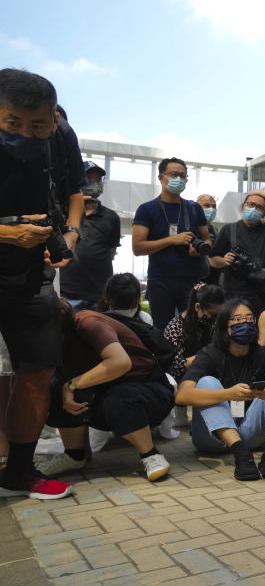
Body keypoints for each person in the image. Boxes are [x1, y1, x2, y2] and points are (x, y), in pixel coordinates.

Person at [0, 68, 83, 500]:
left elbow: (73, 192)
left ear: (53, 119)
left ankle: (19, 471)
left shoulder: (61, 134)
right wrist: (8, 232)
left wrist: (68, 235)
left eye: (38, 126)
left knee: (38, 372)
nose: (26, 135)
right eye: (12, 123)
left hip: (31, 273)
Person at [36, 304, 175, 482]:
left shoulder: (88, 322)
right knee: (56, 387)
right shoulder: (50, 343)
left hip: (147, 389)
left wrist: (71, 385)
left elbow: (121, 363)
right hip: (102, 394)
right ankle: (74, 455)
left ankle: (150, 454)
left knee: (118, 398)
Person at [174, 299, 265, 481]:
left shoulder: (262, 353)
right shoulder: (210, 353)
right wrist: (228, 394)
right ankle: (241, 454)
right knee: (208, 382)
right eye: (238, 320)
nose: (245, 324)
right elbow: (182, 395)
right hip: (213, 438)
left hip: (250, 432)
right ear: (224, 326)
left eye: (250, 319)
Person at [132, 157, 211, 330]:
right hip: (160, 281)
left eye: (183, 176)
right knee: (163, 331)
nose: (179, 179)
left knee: (194, 330)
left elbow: (207, 240)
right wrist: (171, 240)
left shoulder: (194, 208)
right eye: (174, 174)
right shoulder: (147, 209)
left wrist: (199, 250)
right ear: (161, 177)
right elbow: (137, 248)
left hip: (191, 281)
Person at [209, 190, 265, 313]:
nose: (253, 208)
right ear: (243, 206)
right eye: (250, 204)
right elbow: (213, 260)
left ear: (264, 213)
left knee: (261, 330)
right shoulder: (229, 230)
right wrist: (224, 260)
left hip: (263, 294)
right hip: (234, 294)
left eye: (259, 207)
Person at [59, 161, 122, 311]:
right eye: (89, 178)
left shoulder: (111, 217)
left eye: (98, 179)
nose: (94, 183)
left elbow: (111, 252)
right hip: (68, 292)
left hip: (100, 294)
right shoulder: (65, 212)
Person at [163, 283, 224, 382]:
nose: (214, 318)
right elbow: (175, 366)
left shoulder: (212, 323)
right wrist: (207, 355)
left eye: (218, 314)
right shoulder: (175, 328)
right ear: (197, 307)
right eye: (211, 314)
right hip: (184, 380)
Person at [197, 194, 222, 286]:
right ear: (197, 207)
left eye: (214, 206)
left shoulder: (215, 229)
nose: (211, 209)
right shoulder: (190, 227)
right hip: (196, 278)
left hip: (214, 278)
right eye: (207, 206)